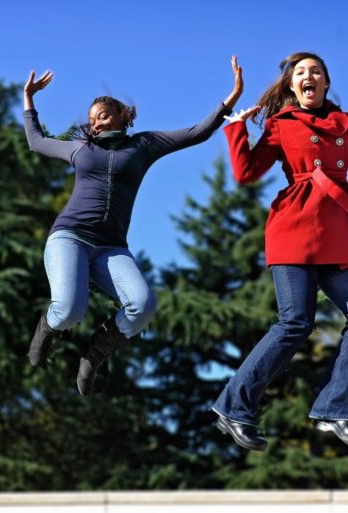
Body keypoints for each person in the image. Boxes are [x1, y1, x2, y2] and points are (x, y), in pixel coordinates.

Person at [211, 52, 348, 451]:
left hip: (336, 236)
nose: (309, 76)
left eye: (316, 71)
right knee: (295, 322)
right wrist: (235, 130)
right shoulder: (280, 125)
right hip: (294, 230)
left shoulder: (346, 125)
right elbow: (246, 172)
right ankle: (235, 407)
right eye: (300, 72)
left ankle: (336, 410)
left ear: (325, 82)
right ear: (291, 86)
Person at [23, 57, 243, 396]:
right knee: (69, 310)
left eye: (104, 115)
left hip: (111, 246)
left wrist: (230, 99)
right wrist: (29, 101)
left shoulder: (143, 145)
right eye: (93, 120)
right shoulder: (80, 149)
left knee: (143, 305)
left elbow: (196, 133)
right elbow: (37, 141)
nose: (97, 123)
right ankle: (46, 329)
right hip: (70, 236)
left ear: (123, 115)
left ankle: (94, 354)